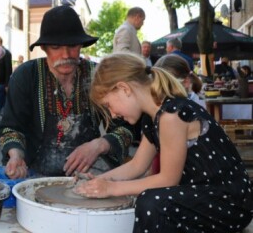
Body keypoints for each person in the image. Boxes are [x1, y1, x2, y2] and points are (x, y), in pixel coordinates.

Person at [75, 52, 252, 232]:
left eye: (108, 105)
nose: (112, 114)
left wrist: (111, 188)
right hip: (204, 195)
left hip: (231, 201)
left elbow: (168, 179)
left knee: (151, 203)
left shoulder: (171, 114)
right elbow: (137, 165)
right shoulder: (153, 118)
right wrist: (98, 181)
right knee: (147, 198)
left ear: (124, 89)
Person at [0, 5, 134, 178]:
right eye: (56, 47)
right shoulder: (25, 76)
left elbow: (126, 129)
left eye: (72, 45)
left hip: (89, 171)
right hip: (35, 172)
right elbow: (10, 128)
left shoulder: (98, 76)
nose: (66, 54)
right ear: (44, 48)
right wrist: (16, 154)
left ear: (81, 45)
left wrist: (100, 144)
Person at [0, 36, 12, 111]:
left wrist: (7, 84)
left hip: (2, 84)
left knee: (2, 103)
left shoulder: (6, 53)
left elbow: (8, 69)